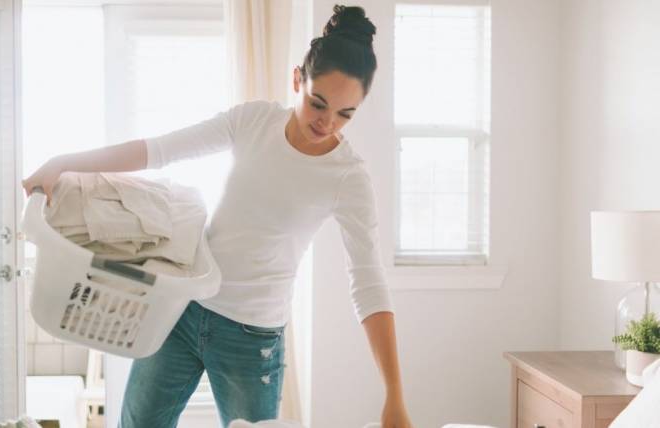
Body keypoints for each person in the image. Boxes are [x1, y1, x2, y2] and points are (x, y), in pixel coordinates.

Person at [22, 4, 413, 428]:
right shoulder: (254, 121)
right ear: (298, 79)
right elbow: (158, 150)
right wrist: (65, 163)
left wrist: (394, 394)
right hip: (183, 309)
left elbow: (369, 283)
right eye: (319, 103)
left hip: (253, 338)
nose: (328, 122)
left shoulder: (347, 177)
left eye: (345, 114)